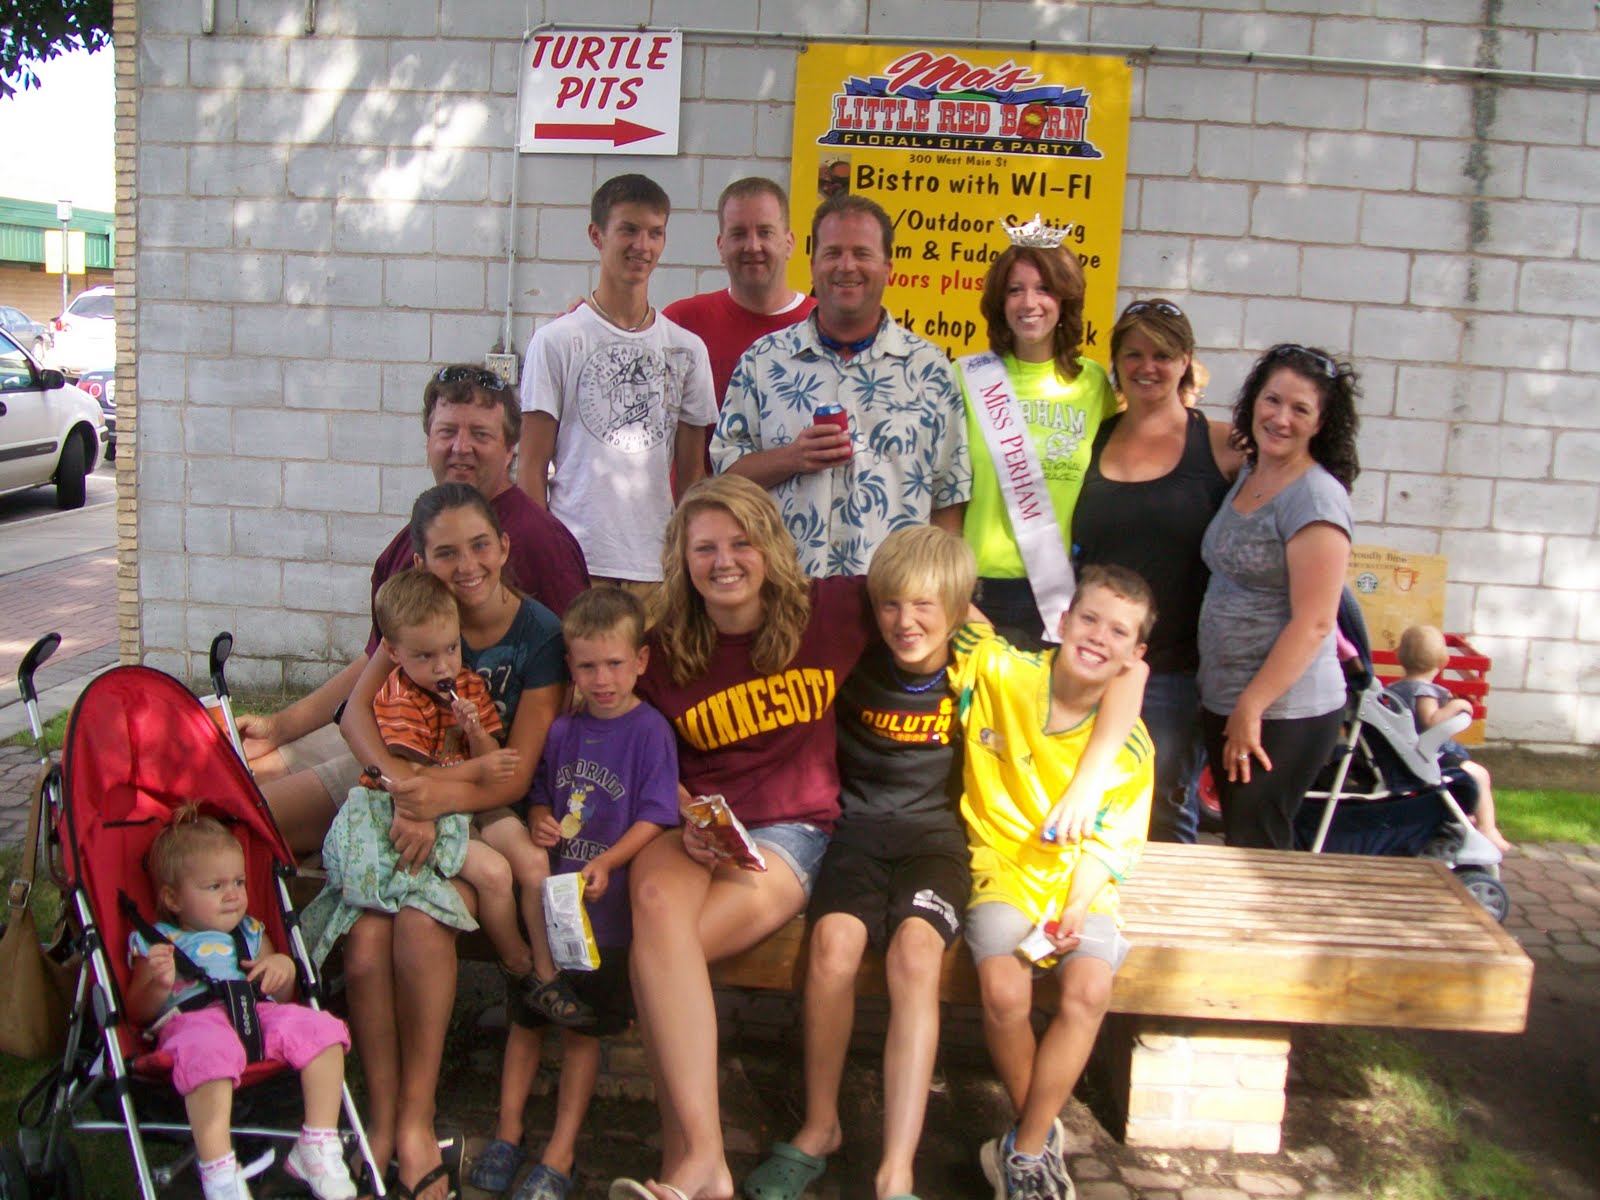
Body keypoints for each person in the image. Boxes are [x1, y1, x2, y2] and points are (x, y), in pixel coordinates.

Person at [609, 475, 882, 1200]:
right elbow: (639, 748)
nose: (724, 561)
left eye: (741, 542)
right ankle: (702, 1163)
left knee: (660, 961)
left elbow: (935, 591)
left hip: (792, 831)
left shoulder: (830, 610)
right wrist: (682, 810)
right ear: (682, 557)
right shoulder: (661, 648)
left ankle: (691, 1164)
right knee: (657, 910)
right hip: (694, 823)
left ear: (770, 547)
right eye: (705, 547)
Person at [239, 365, 589, 855]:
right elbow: (378, 664)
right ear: (427, 441)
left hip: (480, 774)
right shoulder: (411, 543)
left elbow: (574, 683)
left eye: (480, 434)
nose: (461, 447)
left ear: (511, 447)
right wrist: (282, 727)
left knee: (256, 821)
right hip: (400, 744)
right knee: (245, 796)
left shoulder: (541, 545)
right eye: (447, 432)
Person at [335, 484, 568, 1200]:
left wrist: (431, 799)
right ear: (420, 560)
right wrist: (403, 789)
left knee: (416, 922)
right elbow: (355, 716)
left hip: (483, 812)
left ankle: (415, 1119)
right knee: (366, 943)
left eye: (478, 546)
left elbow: (510, 772)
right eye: (445, 552)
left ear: (503, 547)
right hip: (409, 798)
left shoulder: (538, 634)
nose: (465, 566)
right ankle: (383, 1120)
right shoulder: (416, 617)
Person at [744, 526, 975, 1200]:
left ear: (957, 609)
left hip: (936, 840)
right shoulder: (853, 656)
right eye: (891, 605)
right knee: (832, 945)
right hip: (856, 832)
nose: (906, 622)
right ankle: (821, 1125)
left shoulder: (980, 667)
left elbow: (1100, 681)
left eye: (925, 606)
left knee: (915, 953)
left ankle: (897, 1167)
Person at [952, 566, 1156, 1200]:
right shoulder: (1004, 671)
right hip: (1000, 865)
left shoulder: (1132, 748)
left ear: (1135, 655)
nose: (1098, 637)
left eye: (1118, 632)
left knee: (1089, 989)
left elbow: (1109, 844)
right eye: (1088, 619)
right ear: (1062, 622)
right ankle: (1036, 1138)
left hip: (1078, 882)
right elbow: (948, 601)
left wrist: (1076, 907)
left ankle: (1023, 1150)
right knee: (1003, 990)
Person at [470, 588, 680, 1200]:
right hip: (547, 918)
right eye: (587, 666)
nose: (602, 679)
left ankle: (559, 1154)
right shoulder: (562, 731)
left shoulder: (650, 732)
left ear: (640, 660)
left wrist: (609, 861)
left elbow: (657, 814)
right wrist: (539, 819)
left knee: (581, 1035)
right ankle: (507, 1134)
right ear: (571, 666)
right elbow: (538, 796)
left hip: (604, 922)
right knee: (527, 1022)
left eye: (614, 664)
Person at [712, 193, 971, 577]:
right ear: (813, 265)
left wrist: (936, 590)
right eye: (832, 253)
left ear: (888, 268)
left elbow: (948, 499)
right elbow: (724, 479)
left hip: (890, 598)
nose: (846, 266)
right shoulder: (762, 361)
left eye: (862, 254)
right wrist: (791, 458)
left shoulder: (930, 371)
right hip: (783, 592)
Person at [365, 567, 583, 1021]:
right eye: (426, 656)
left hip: (474, 800)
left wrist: (477, 734)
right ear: (393, 652)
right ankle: (517, 965)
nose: (443, 666)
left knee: (532, 861)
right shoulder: (399, 696)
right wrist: (478, 768)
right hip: (427, 812)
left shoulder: (466, 683)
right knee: (496, 874)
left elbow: (494, 760)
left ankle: (548, 974)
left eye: (451, 648)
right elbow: (416, 778)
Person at [1073, 299, 1244, 843]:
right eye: (1134, 354)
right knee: (1086, 807)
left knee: (1164, 818)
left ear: (1186, 361)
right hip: (1090, 661)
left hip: (1173, 675)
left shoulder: (1224, 445)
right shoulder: (1091, 439)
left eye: (1163, 355)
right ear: (1116, 361)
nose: (1147, 367)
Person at [126, 806, 357, 1200]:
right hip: (195, 1022)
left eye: (239, 881)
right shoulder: (159, 942)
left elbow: (278, 995)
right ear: (173, 898)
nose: (233, 894)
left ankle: (318, 1143)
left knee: (325, 1030)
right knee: (209, 1049)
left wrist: (282, 968)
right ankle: (219, 1172)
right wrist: (156, 984)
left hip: (254, 1014)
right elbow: (137, 1013)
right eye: (215, 886)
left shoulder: (249, 931)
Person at [518, 173, 719, 591]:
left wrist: (688, 563)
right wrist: (544, 560)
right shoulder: (555, 341)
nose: (642, 246)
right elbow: (531, 467)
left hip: (656, 569)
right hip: (576, 564)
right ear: (597, 235)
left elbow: (691, 475)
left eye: (655, 233)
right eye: (628, 229)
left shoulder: (687, 349)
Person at [1197, 343, 1360, 851]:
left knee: (1259, 853)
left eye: (1300, 409)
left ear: (1320, 423)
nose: (1281, 418)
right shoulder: (1253, 472)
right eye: (1272, 400)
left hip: (1282, 712)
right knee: (1242, 842)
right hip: (1230, 699)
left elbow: (1315, 623)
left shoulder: (1315, 497)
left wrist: (1251, 706)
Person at [956, 226, 1115, 654]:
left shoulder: (1092, 383)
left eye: (1044, 288)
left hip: (1060, 592)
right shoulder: (967, 379)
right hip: (979, 590)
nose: (1029, 303)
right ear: (999, 303)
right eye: (1015, 290)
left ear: (1065, 300)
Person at [661, 177, 816, 451]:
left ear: (789, 243)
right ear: (721, 246)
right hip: (699, 481)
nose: (753, 246)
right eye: (739, 234)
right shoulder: (681, 323)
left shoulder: (824, 325)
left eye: (765, 232)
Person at [1390, 624, 1511, 852]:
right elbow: (1431, 720)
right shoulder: (1424, 691)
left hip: (1406, 756)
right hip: (1431, 758)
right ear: (1444, 661)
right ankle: (1488, 829)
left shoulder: (1394, 690)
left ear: (1398, 657)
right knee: (1480, 775)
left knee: (1472, 773)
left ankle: (1466, 815)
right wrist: (1456, 706)